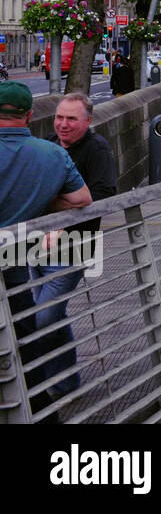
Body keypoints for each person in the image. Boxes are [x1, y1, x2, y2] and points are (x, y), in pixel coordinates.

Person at [0, 81, 92, 417]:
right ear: (28, 115)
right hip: (13, 260)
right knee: (24, 342)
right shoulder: (53, 154)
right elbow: (83, 199)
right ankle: (40, 412)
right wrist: (42, 198)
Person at [31, 92, 115, 401]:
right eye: (59, 117)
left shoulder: (97, 149)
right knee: (48, 316)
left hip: (72, 248)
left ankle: (43, 381)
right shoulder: (49, 143)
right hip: (35, 244)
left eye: (71, 119)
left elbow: (104, 193)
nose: (63, 125)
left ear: (88, 121)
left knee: (43, 318)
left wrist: (60, 213)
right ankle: (65, 382)